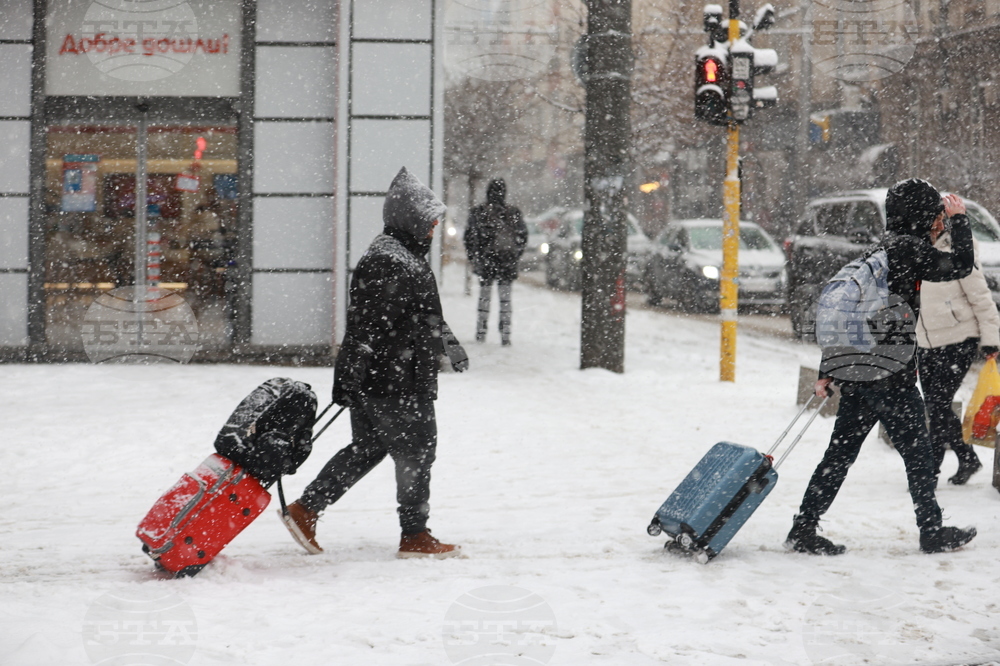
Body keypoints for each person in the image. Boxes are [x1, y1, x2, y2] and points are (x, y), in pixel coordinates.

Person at [281, 167, 469, 559]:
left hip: (386, 374)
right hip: (393, 377)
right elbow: (369, 325)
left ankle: (306, 509)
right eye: (429, 222)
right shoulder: (390, 261)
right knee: (418, 449)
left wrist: (449, 347)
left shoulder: (400, 256)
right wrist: (352, 373)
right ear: (410, 220)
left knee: (369, 447)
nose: (433, 230)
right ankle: (414, 534)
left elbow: (419, 315)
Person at [787, 179, 978, 556]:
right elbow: (959, 264)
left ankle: (804, 527)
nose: (940, 223)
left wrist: (831, 367)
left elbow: (850, 313)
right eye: (938, 216)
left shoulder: (881, 251)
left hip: (861, 372)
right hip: (888, 374)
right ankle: (931, 531)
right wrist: (961, 221)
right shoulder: (907, 250)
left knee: (839, 455)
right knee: (919, 453)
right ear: (923, 215)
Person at [916, 211, 1000, 485]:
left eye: (939, 219)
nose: (934, 224)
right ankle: (967, 458)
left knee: (939, 405)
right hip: (927, 341)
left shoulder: (957, 250)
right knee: (936, 406)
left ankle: (930, 470)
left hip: (959, 339)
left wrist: (991, 339)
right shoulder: (917, 249)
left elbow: (981, 297)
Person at [463, 178, 528, 345]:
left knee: (484, 297)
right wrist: (514, 256)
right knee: (505, 300)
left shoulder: (479, 212)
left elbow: (469, 237)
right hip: (506, 262)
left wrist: (474, 257)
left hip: (486, 261)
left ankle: (481, 331)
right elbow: (522, 236)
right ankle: (506, 333)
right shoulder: (513, 212)